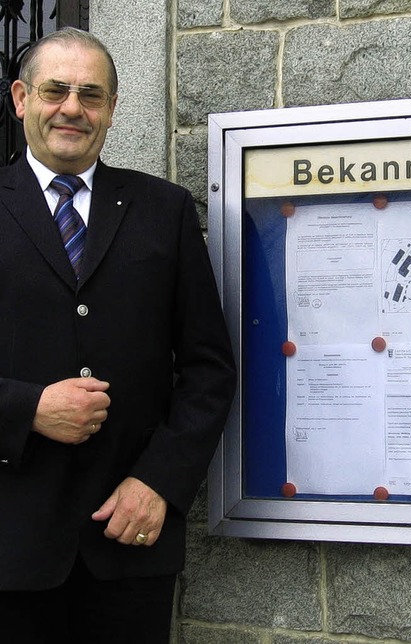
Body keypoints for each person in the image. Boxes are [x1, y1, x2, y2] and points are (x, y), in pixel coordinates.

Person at [0, 27, 237, 643]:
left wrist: (161, 482)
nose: (72, 108)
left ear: (111, 107)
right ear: (21, 98)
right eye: (55, 91)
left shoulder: (165, 210)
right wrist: (28, 409)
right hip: (9, 549)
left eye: (91, 94)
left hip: (127, 546)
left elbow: (209, 368)